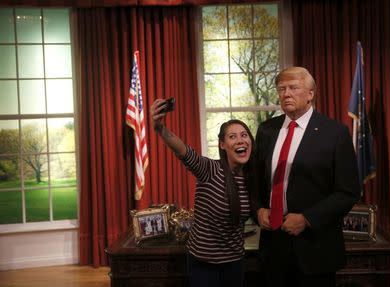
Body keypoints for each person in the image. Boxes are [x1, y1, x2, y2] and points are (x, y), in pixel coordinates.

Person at [252, 66, 360, 286]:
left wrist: (307, 219)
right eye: (281, 89)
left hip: (315, 247)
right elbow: (253, 182)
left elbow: (348, 192)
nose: (286, 94)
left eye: (293, 88)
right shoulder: (266, 130)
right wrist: (257, 210)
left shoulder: (335, 133)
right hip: (273, 246)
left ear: (310, 94)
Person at [150, 98, 255, 287]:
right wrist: (159, 128)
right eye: (232, 136)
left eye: (244, 135)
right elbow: (181, 149)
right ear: (222, 145)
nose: (240, 140)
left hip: (235, 262)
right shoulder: (210, 170)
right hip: (204, 264)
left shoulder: (253, 178)